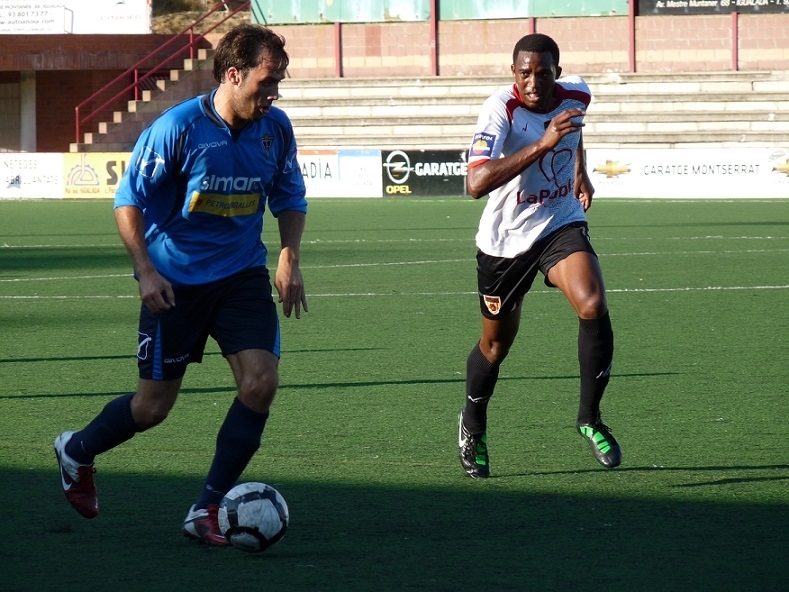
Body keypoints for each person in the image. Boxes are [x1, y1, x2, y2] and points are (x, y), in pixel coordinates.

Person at [54, 24, 308, 545]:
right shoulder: (178, 128)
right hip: (175, 284)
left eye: (280, 81)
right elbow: (128, 201)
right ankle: (77, 450)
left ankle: (207, 508)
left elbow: (288, 196)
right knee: (152, 409)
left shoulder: (275, 129)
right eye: (268, 80)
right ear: (234, 75)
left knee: (261, 382)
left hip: (241, 277)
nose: (275, 92)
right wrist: (146, 271)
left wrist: (288, 257)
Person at [457, 33, 620, 479]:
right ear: (513, 73)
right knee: (495, 345)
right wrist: (545, 145)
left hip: (558, 221)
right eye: (525, 73)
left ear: (557, 74)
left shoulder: (578, 94)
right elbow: (475, 184)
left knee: (592, 303)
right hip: (505, 241)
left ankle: (590, 419)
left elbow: (574, 125)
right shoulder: (499, 110)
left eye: (543, 73)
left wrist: (580, 172)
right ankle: (473, 426)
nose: (533, 82)